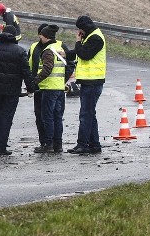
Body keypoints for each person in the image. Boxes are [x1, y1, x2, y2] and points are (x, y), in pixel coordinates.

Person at [0, 25, 36, 155]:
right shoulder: (20, 51)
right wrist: (31, 89)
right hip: (12, 91)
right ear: (14, 36)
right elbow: (26, 72)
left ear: (2, 33)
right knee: (6, 117)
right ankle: (1, 146)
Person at [28, 23, 75, 148]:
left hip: (49, 88)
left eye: (41, 35)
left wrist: (34, 82)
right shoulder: (56, 48)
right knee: (57, 117)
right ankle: (57, 144)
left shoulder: (48, 50)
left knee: (47, 117)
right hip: (58, 88)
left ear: (45, 36)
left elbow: (47, 69)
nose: (40, 37)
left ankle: (48, 144)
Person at [68, 15, 106, 154]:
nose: (79, 32)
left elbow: (85, 54)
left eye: (80, 29)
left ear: (83, 28)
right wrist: (66, 54)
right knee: (90, 114)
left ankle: (82, 144)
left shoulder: (96, 38)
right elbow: (79, 54)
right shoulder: (90, 37)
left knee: (85, 114)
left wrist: (78, 42)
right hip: (89, 81)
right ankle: (95, 145)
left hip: (93, 82)